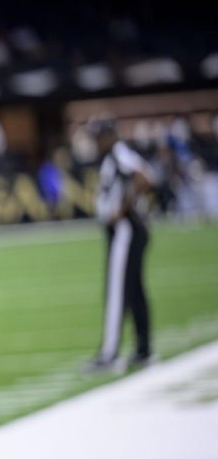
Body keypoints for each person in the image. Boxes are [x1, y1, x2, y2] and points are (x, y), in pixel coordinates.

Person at [83, 116, 155, 372]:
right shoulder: (115, 155)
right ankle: (143, 349)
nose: (95, 142)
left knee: (117, 290)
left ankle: (109, 353)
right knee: (134, 289)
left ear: (109, 135)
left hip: (125, 229)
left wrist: (121, 209)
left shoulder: (118, 153)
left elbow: (144, 177)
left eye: (98, 136)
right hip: (131, 228)